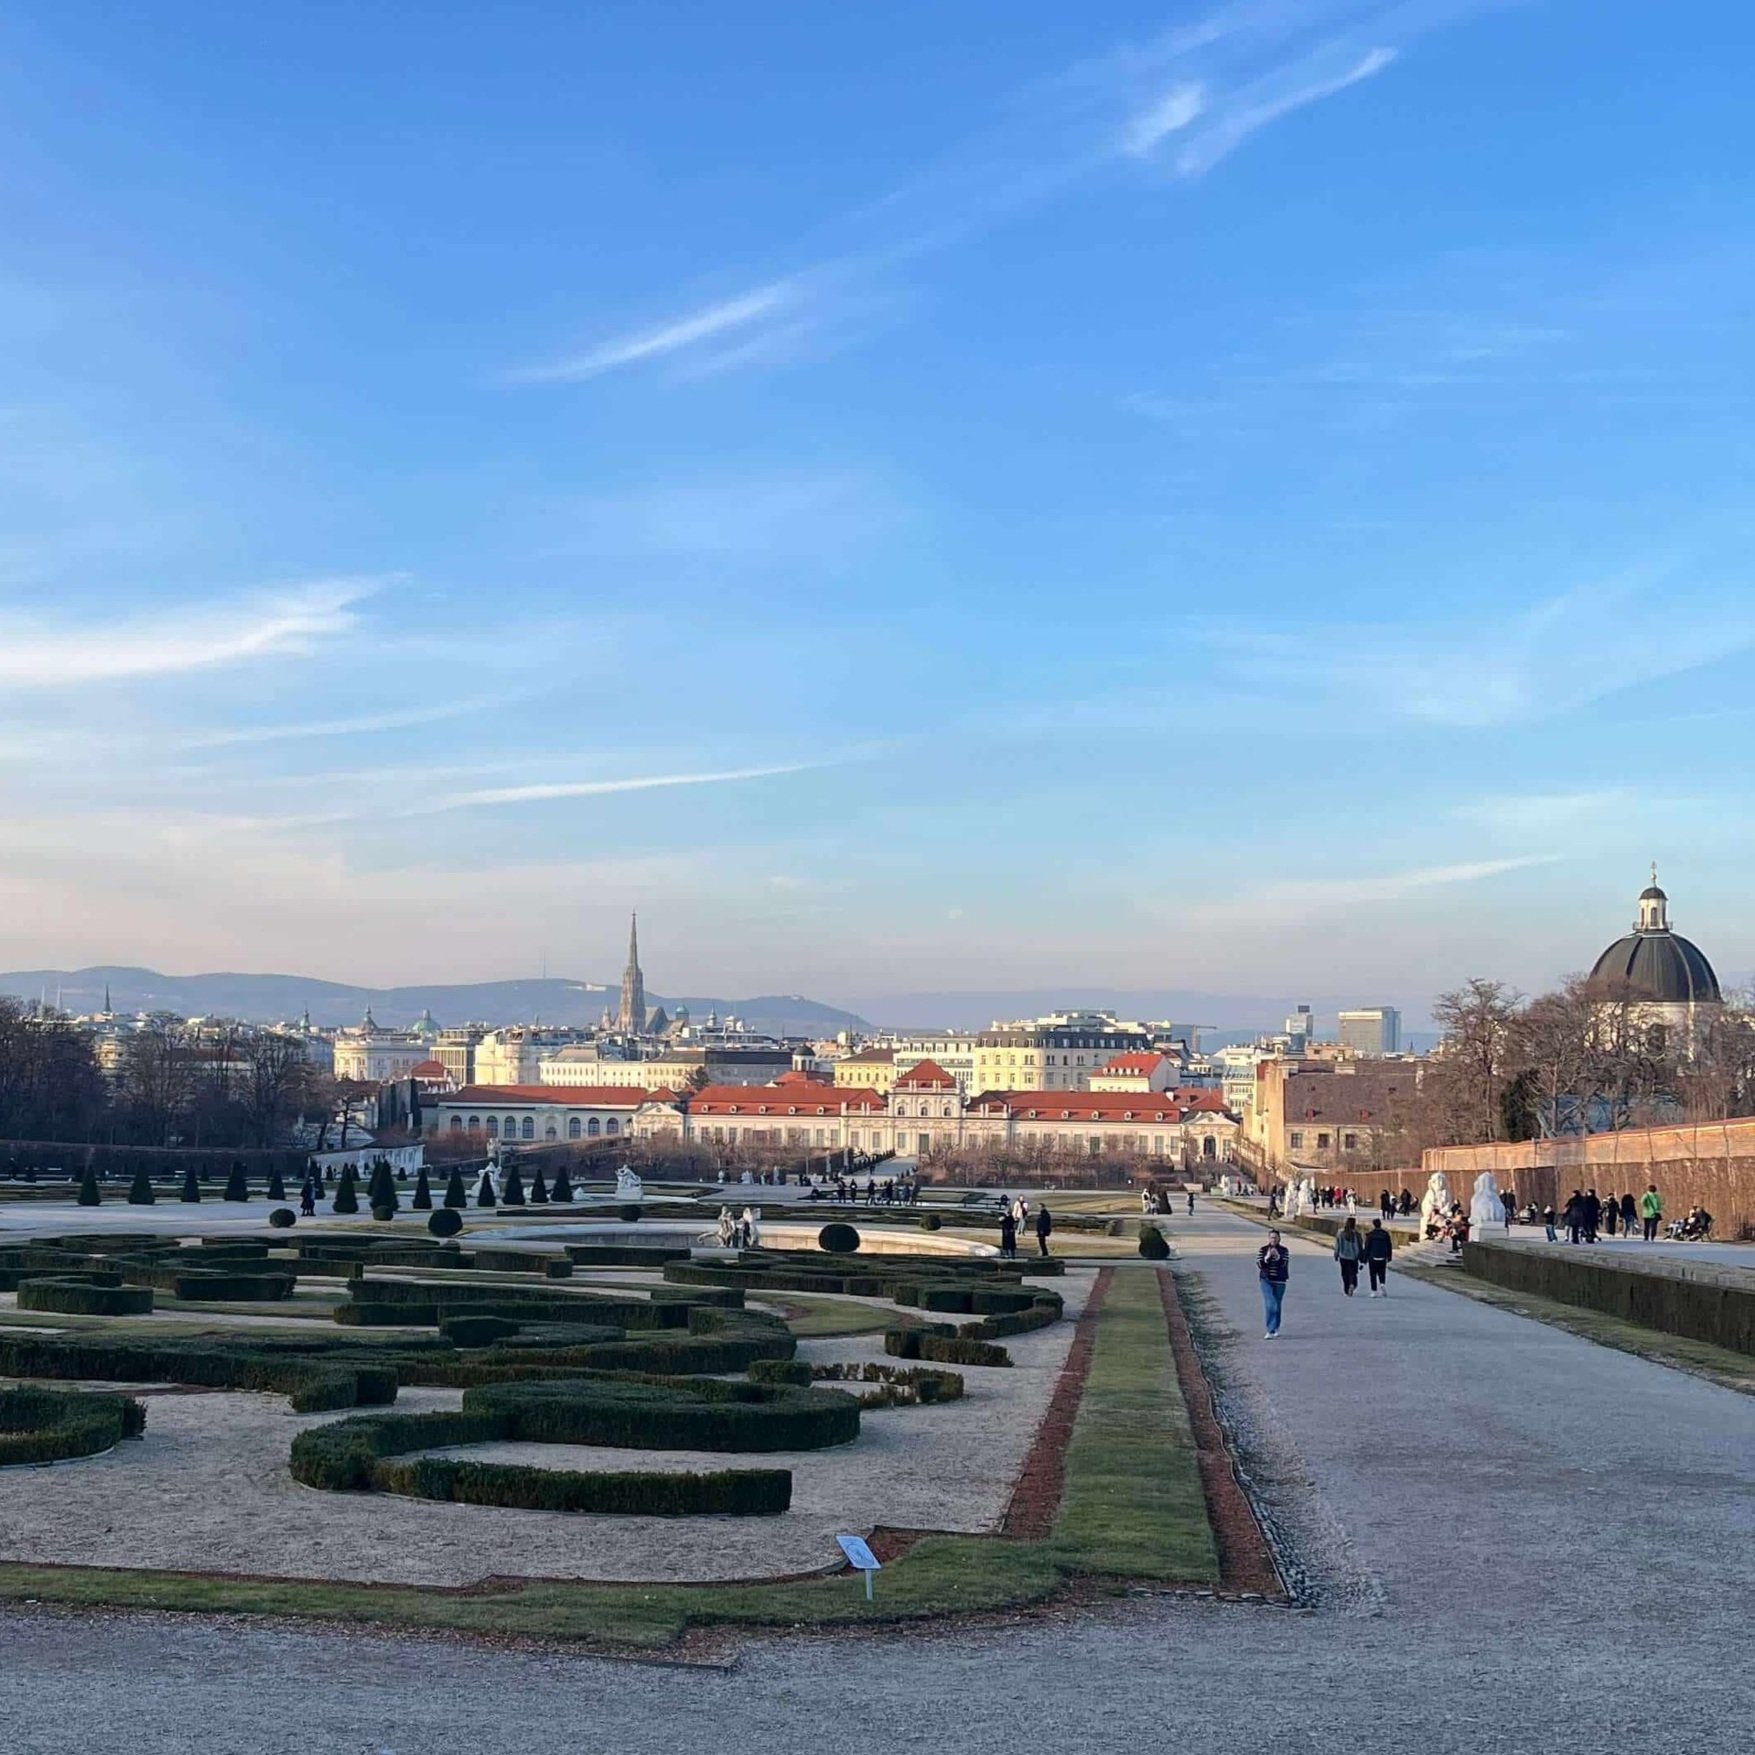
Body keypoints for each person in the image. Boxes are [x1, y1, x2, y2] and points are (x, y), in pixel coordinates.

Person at [1258, 1230, 1290, 1337]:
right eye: (1271, 1237)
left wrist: (1277, 1256)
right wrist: (1266, 1258)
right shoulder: (1263, 1250)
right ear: (1268, 1239)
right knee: (1270, 1303)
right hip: (1266, 1280)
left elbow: (1284, 1264)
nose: (1273, 1239)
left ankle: (1276, 1327)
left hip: (1280, 1281)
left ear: (1279, 1238)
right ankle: (1270, 1330)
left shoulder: (1284, 1250)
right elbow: (1259, 1264)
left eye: (1276, 1237)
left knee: (1277, 1305)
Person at [1333, 1215, 1363, 1297]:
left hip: (1343, 1256)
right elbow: (1360, 1246)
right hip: (1354, 1257)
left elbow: (1337, 1245)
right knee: (1353, 1272)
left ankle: (1346, 1289)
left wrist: (1336, 1254)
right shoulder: (1357, 1234)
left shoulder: (1340, 1233)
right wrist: (1361, 1256)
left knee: (1345, 1273)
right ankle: (1352, 1284)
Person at [1363, 1217, 1393, 1296]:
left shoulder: (1371, 1235)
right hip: (1382, 1257)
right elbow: (1389, 1245)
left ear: (1374, 1225)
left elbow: (1367, 1247)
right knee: (1382, 1272)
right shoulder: (1385, 1234)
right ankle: (1382, 1284)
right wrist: (1389, 1256)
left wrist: (1364, 1259)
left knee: (1373, 1274)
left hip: (1373, 1257)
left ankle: (1374, 1291)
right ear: (1380, 1224)